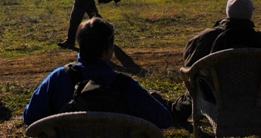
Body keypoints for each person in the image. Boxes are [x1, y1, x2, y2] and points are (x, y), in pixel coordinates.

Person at [23, 17, 171, 128]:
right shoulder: (124, 85)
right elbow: (163, 119)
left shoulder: (58, 78)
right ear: (108, 51)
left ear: (81, 46)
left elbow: (30, 117)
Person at [166, 0, 261, 125]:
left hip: (213, 98)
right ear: (250, 13)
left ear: (227, 12)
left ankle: (175, 111)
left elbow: (189, 65)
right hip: (249, 96)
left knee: (197, 84)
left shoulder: (206, 38)